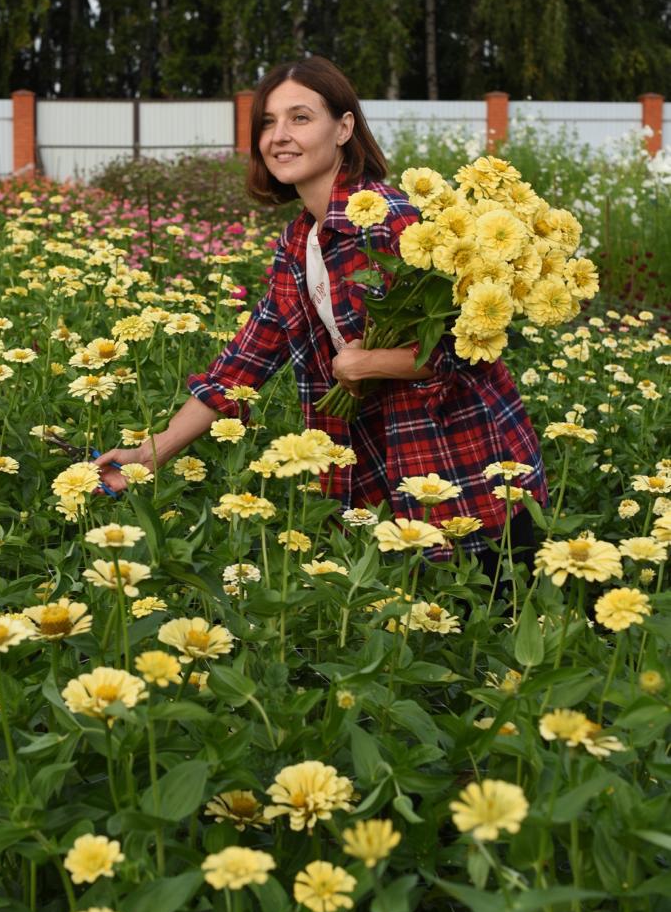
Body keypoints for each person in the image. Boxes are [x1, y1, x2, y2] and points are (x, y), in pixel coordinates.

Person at [96, 56, 548, 579]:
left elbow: (467, 347)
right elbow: (244, 364)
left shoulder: (390, 219)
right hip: (380, 468)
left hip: (466, 464)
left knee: (501, 625)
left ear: (344, 128)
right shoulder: (298, 241)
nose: (279, 136)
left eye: (300, 118)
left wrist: (365, 362)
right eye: (267, 122)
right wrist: (153, 453)